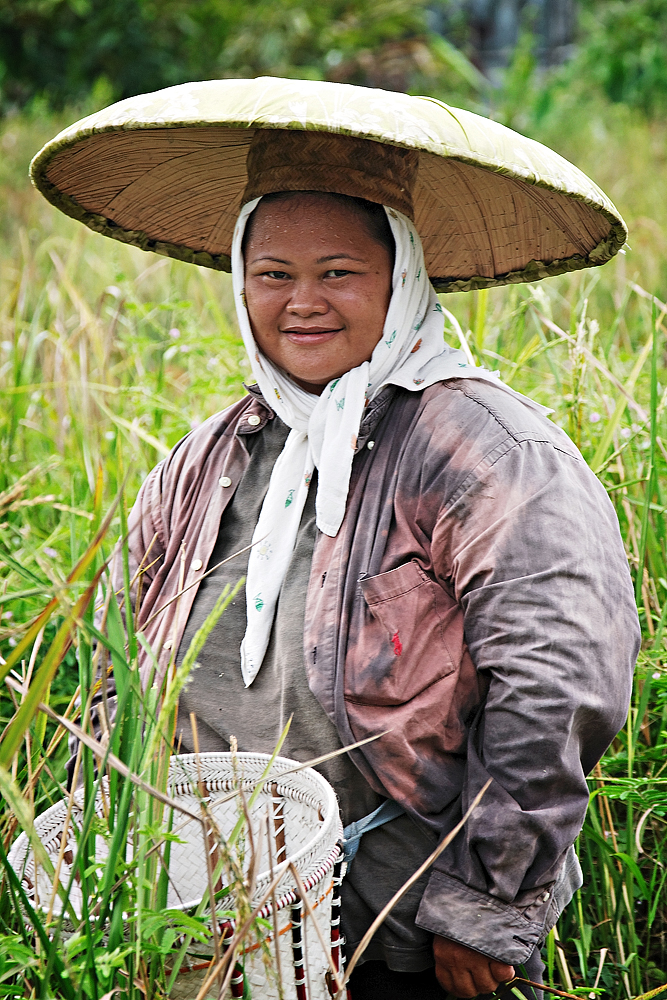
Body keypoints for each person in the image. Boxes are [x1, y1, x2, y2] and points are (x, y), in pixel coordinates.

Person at [36, 78, 640, 998]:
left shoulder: (485, 449)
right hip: (210, 923)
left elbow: (559, 680)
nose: (301, 302)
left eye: (339, 273)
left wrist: (482, 906)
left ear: (401, 279)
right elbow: (117, 648)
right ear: (242, 286)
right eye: (273, 274)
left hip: (398, 929)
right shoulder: (212, 453)